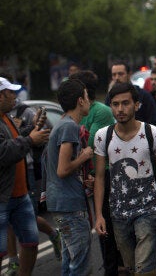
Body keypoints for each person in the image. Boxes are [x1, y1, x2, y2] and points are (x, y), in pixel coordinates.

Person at [93, 82, 156, 275]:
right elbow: (100, 178)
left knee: (144, 267)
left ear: (137, 105)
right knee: (131, 266)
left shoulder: (153, 133)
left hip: (148, 209)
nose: (120, 109)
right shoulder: (103, 136)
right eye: (115, 104)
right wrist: (99, 215)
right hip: (118, 212)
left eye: (126, 103)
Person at [68, 70, 122, 275]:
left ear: (83, 93)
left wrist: (80, 152)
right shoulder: (73, 113)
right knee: (99, 225)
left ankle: (114, 266)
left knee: (108, 223)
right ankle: (113, 263)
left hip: (105, 173)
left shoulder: (100, 111)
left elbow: (92, 145)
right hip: (84, 175)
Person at [0, 77, 49, 276]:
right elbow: (3, 153)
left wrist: (32, 129)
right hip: (3, 197)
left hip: (19, 195)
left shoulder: (6, 116)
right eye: (11, 92)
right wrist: (30, 139)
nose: (15, 96)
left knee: (30, 243)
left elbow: (16, 138)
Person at [45, 79, 94, 275]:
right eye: (87, 97)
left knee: (69, 260)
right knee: (80, 264)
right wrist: (84, 156)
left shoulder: (63, 124)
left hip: (62, 201)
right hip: (69, 205)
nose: (89, 101)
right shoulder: (69, 127)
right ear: (80, 101)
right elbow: (62, 169)